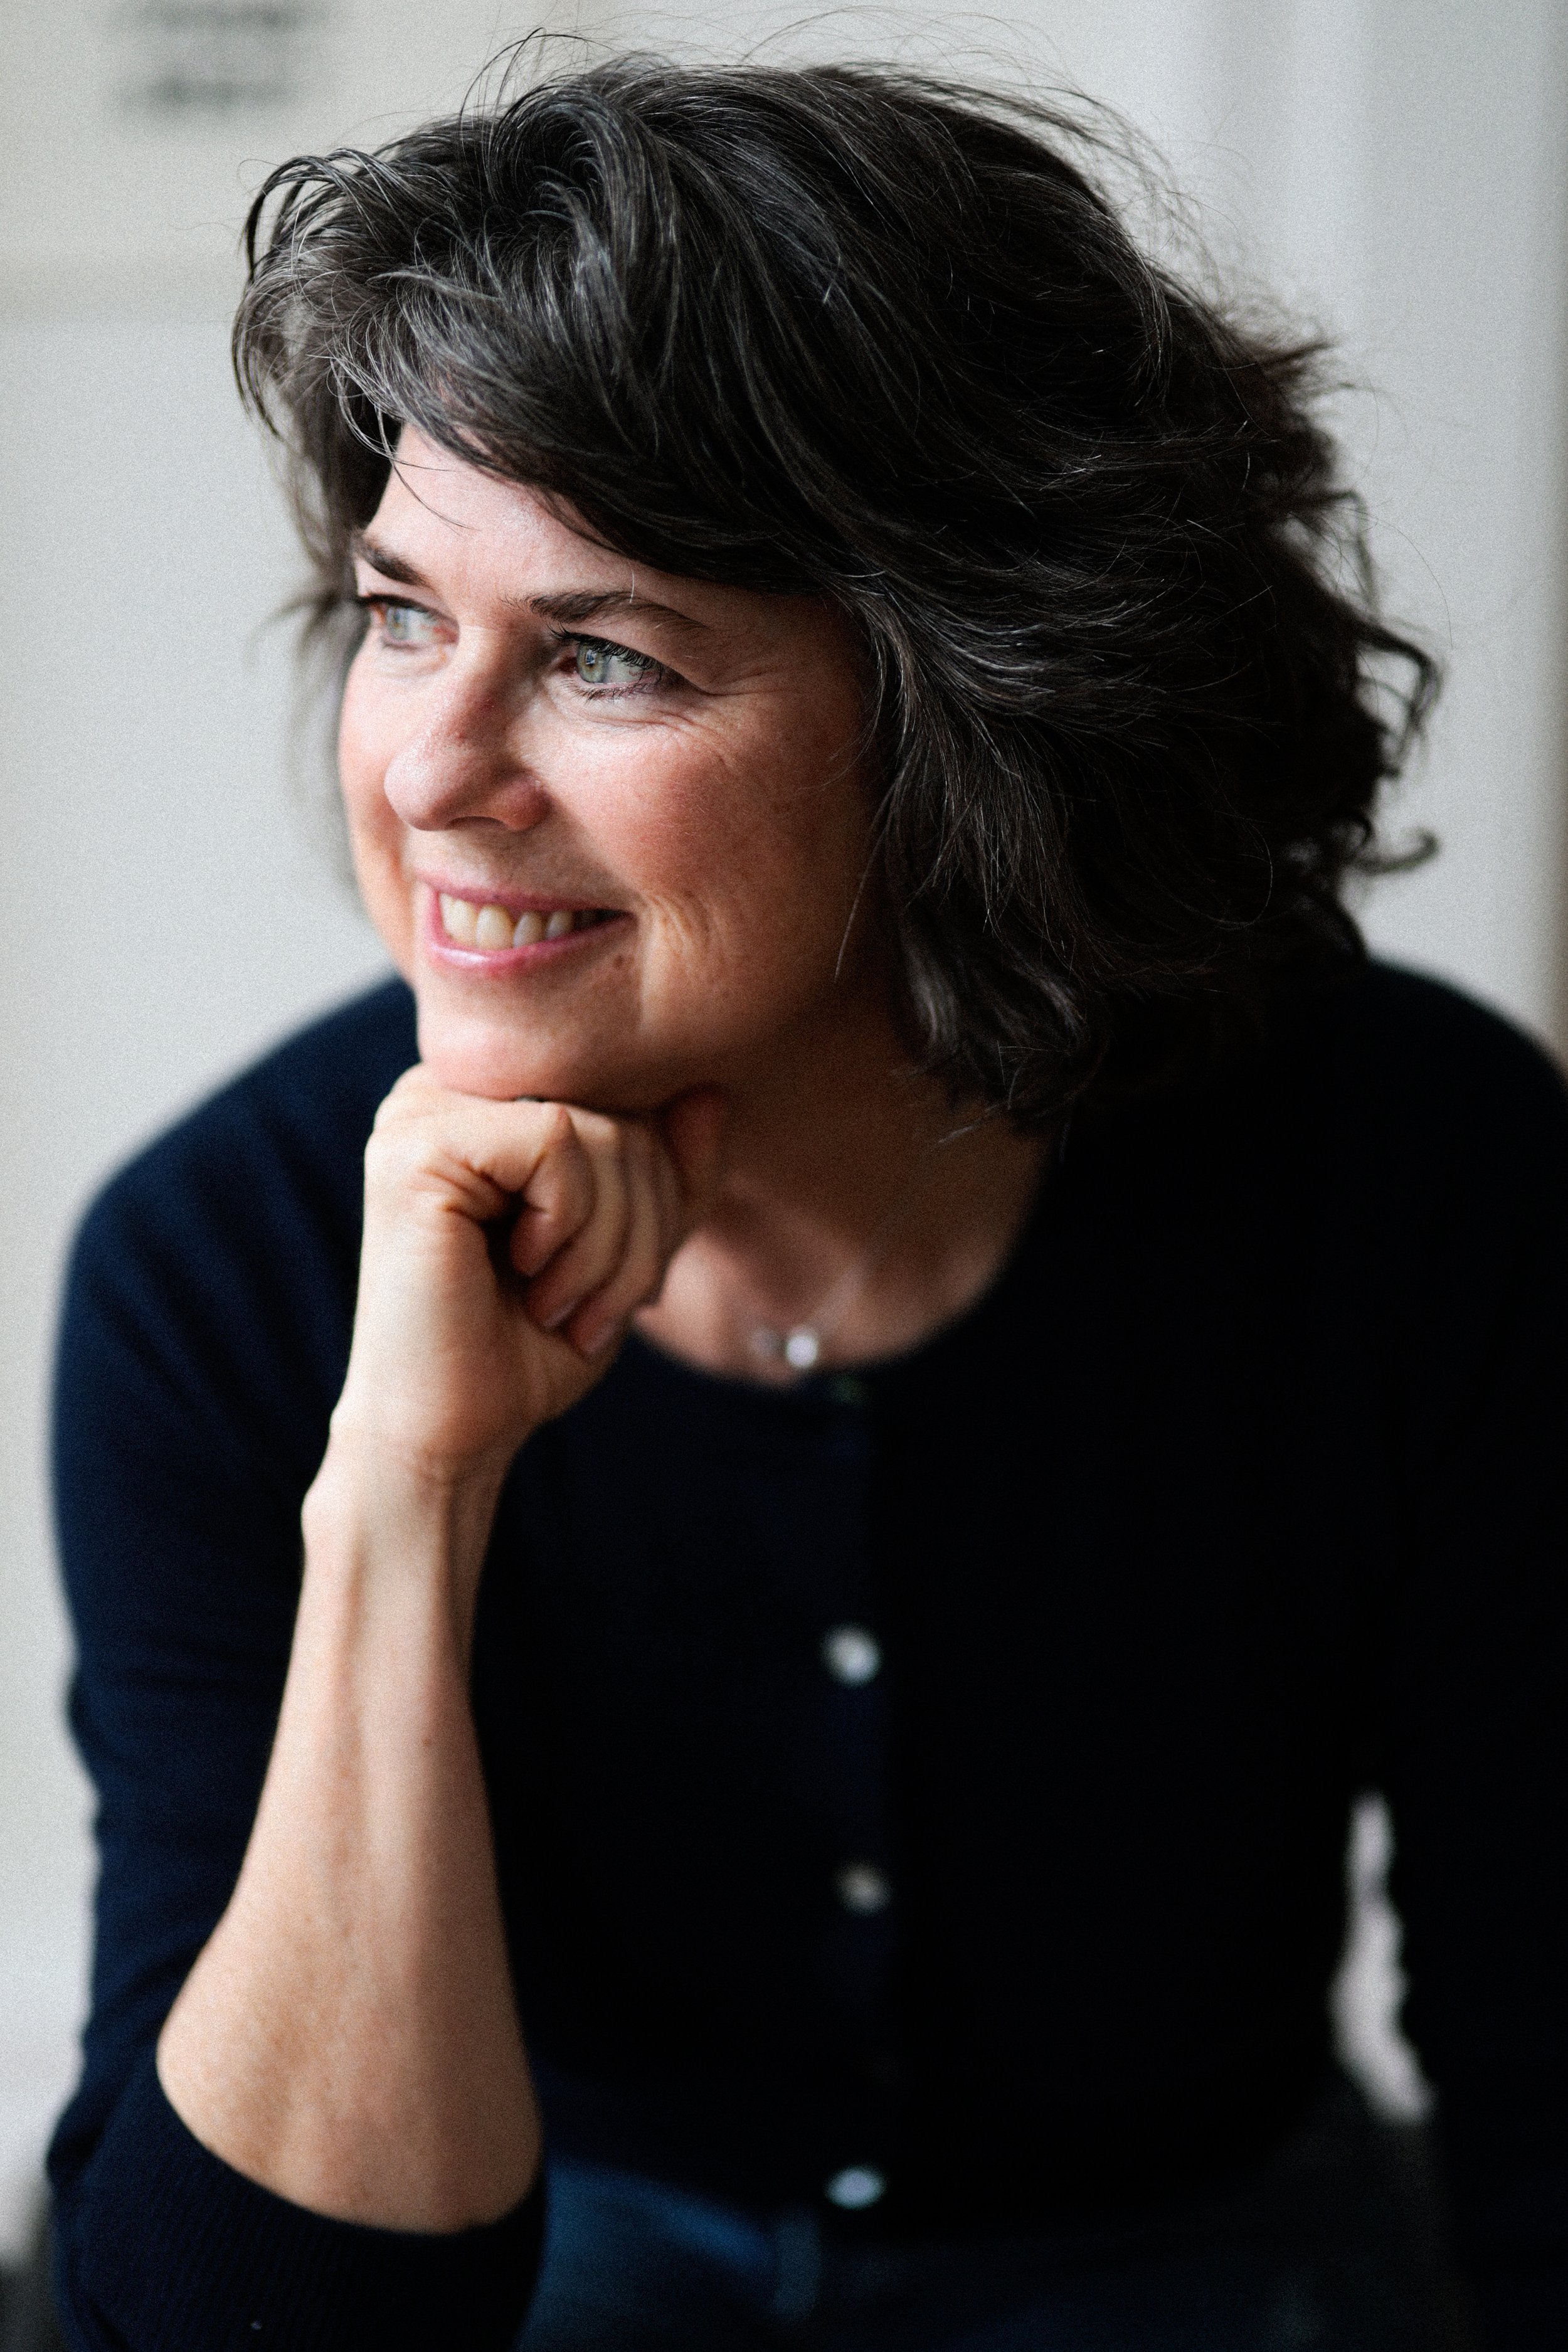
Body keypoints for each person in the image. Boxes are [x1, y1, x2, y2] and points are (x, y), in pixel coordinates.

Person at [43, 55, 1567, 2352]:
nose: (431, 774)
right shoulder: (219, 1264)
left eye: (600, 654)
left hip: (1202, 2265)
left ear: (971, 715)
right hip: (545, 2250)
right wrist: (405, 1498)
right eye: (396, 614)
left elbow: (1553, 2090)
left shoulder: (1418, 1177)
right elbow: (221, 2327)